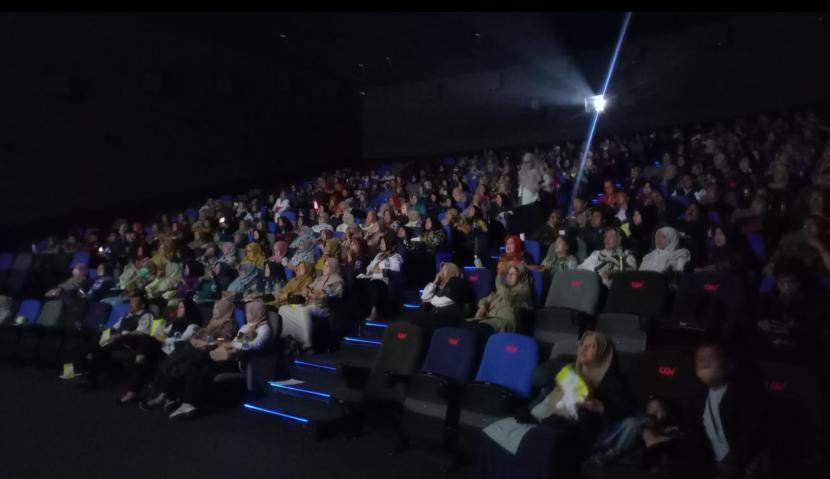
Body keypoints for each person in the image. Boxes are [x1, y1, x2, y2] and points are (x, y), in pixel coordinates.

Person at [478, 331, 634, 479]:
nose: (583, 349)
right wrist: (562, 364)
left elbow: (624, 414)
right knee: (492, 431)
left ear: (602, 353)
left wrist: (599, 407)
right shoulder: (568, 368)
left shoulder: (613, 382)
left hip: (577, 428)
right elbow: (537, 377)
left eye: (591, 346)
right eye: (582, 344)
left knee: (541, 442)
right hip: (544, 417)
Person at [167, 300, 272, 420]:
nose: (214, 311)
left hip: (237, 360)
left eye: (249, 312)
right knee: (199, 367)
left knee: (196, 360)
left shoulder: (258, 328)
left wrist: (219, 341)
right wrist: (208, 336)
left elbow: (230, 339)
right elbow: (236, 341)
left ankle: (186, 401)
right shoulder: (245, 326)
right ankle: (187, 402)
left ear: (257, 312)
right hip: (222, 349)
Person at [686, 342, 766, 479]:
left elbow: (751, 436)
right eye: (700, 360)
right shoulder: (696, 399)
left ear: (729, 364)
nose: (704, 363)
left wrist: (730, 463)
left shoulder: (746, 395)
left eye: (711, 358)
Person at [141, 298, 238, 411]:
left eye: (217, 308)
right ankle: (166, 395)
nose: (214, 310)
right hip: (196, 344)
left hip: (207, 349)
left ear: (224, 310)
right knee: (172, 361)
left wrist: (206, 339)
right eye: (214, 308)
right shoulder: (212, 321)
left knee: (178, 362)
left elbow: (224, 338)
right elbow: (200, 332)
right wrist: (199, 337)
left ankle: (167, 396)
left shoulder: (229, 323)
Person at [82, 291, 155, 391]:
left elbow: (141, 332)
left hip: (131, 342)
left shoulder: (146, 315)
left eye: (134, 302)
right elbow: (114, 327)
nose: (130, 305)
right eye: (131, 302)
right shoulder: (126, 315)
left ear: (142, 305)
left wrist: (118, 336)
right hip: (118, 340)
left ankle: (91, 379)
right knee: (94, 339)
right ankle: (89, 373)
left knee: (101, 350)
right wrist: (105, 331)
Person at [278, 257, 344, 352]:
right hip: (308, 303)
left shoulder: (337, 281)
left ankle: (307, 343)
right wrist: (309, 292)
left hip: (323, 307)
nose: (323, 268)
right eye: (324, 265)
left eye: (327, 266)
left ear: (333, 267)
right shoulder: (319, 279)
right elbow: (307, 289)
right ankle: (288, 338)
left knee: (304, 310)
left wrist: (317, 293)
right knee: (284, 308)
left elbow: (329, 295)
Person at [465, 263, 533, 342]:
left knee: (479, 330)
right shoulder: (500, 291)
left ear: (521, 276)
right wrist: (483, 306)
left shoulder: (524, 291)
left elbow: (507, 295)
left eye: (513, 274)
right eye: (508, 273)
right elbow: (485, 299)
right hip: (488, 319)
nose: (509, 276)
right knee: (463, 326)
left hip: (504, 322)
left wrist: (499, 275)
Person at [411, 262, 472, 333]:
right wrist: (435, 282)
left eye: (445, 270)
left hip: (451, 316)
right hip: (438, 314)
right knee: (415, 318)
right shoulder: (440, 284)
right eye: (441, 270)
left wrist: (430, 301)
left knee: (421, 321)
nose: (441, 273)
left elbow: (443, 301)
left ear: (451, 270)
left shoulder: (457, 281)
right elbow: (424, 297)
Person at [354, 234, 403, 322]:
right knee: (357, 283)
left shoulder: (395, 257)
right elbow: (369, 267)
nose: (381, 245)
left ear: (389, 243)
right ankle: (359, 314)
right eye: (380, 243)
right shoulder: (378, 255)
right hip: (372, 278)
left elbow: (396, 272)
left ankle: (374, 311)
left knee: (374, 285)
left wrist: (381, 270)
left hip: (384, 282)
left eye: (383, 243)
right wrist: (372, 269)